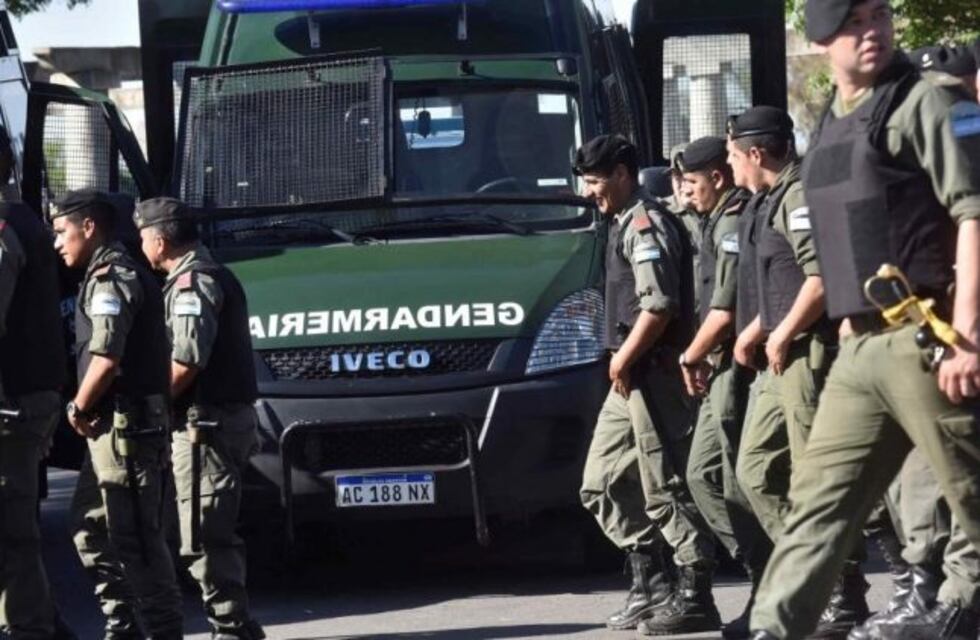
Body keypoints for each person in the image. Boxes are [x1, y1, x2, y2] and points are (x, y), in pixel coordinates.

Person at [748, 1, 980, 639]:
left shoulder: (923, 102)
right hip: (859, 346)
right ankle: (775, 628)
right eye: (854, 21)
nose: (872, 31)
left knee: (971, 496)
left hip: (925, 335)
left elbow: (973, 212)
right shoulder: (827, 123)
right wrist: (847, 321)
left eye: (879, 16)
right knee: (817, 506)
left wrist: (967, 335)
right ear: (821, 38)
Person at [726, 106, 873, 639]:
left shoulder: (797, 197)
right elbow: (785, 282)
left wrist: (783, 332)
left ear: (756, 153)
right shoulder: (766, 201)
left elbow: (820, 278)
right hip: (778, 352)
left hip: (804, 353)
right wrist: (756, 330)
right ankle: (814, 575)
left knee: (817, 477)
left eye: (732, 154)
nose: (729, 164)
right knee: (755, 469)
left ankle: (842, 589)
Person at [574, 134, 717, 634]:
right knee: (602, 481)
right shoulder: (618, 222)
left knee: (663, 485)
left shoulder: (643, 223)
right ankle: (650, 583)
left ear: (621, 174)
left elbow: (659, 306)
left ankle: (695, 590)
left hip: (651, 372)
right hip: (629, 373)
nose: (589, 192)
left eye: (595, 181)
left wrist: (623, 360)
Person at [52, 190, 183, 640]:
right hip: (110, 431)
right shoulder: (103, 273)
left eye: (61, 232)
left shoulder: (112, 277)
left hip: (126, 432)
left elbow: (106, 357)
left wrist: (77, 406)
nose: (57, 243)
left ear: (89, 227)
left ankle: (163, 631)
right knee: (89, 528)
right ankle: (123, 625)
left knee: (138, 543)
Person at [134, 197, 265, 640]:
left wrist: (151, 403)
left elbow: (187, 361)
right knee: (195, 532)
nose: (140, 243)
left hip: (205, 428)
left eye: (143, 235)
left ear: (161, 238)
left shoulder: (192, 282)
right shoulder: (190, 277)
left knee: (203, 537)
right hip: (205, 426)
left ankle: (231, 627)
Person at [658, 136, 769, 638]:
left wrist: (691, 354)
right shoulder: (705, 217)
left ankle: (777, 579)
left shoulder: (729, 220)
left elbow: (724, 308)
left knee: (732, 478)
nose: (685, 193)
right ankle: (764, 577)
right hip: (717, 366)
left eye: (693, 184)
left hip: (735, 366)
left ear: (718, 179)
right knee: (709, 475)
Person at [0, 127, 73, 639]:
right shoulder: (26, 220)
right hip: (31, 393)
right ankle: (40, 621)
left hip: (13, 399)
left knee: (11, 530)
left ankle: (31, 628)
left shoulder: (5, 228)